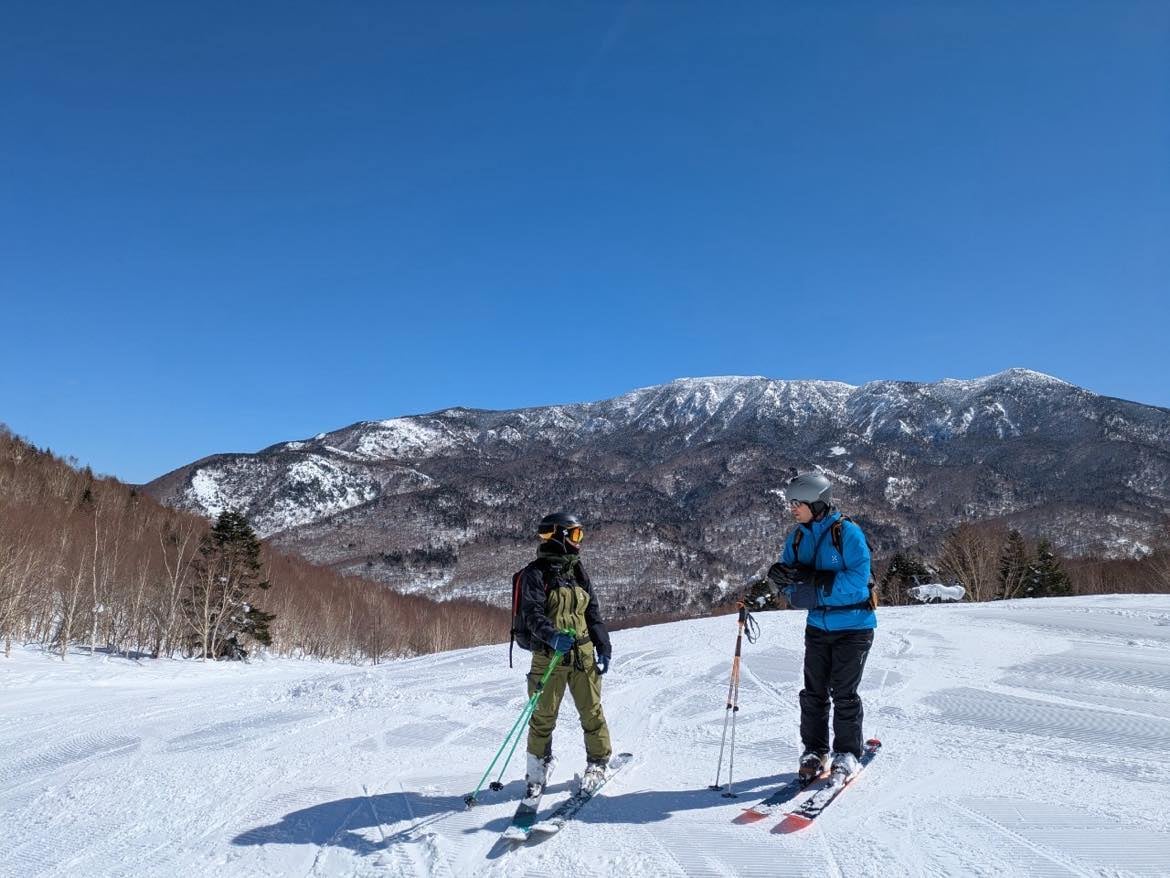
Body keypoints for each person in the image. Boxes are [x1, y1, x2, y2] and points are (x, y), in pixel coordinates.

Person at [748, 472, 876, 783]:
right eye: (791, 502)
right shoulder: (797, 537)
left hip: (854, 625)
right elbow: (792, 585)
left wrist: (819, 581)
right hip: (817, 625)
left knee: (844, 692)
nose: (792, 508)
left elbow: (859, 581)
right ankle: (815, 751)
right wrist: (783, 579)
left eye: (797, 503)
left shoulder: (847, 533)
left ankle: (846, 753)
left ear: (816, 503)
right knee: (814, 692)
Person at [518, 511, 613, 797]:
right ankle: (537, 768)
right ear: (559, 536)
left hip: (583, 654)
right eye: (574, 534)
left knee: (591, 711)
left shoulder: (577, 570)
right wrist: (552, 635)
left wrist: (603, 644)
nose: (579, 540)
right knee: (543, 715)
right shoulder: (535, 574)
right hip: (550, 655)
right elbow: (531, 614)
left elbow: (592, 611)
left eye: (579, 534)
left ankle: (597, 762)